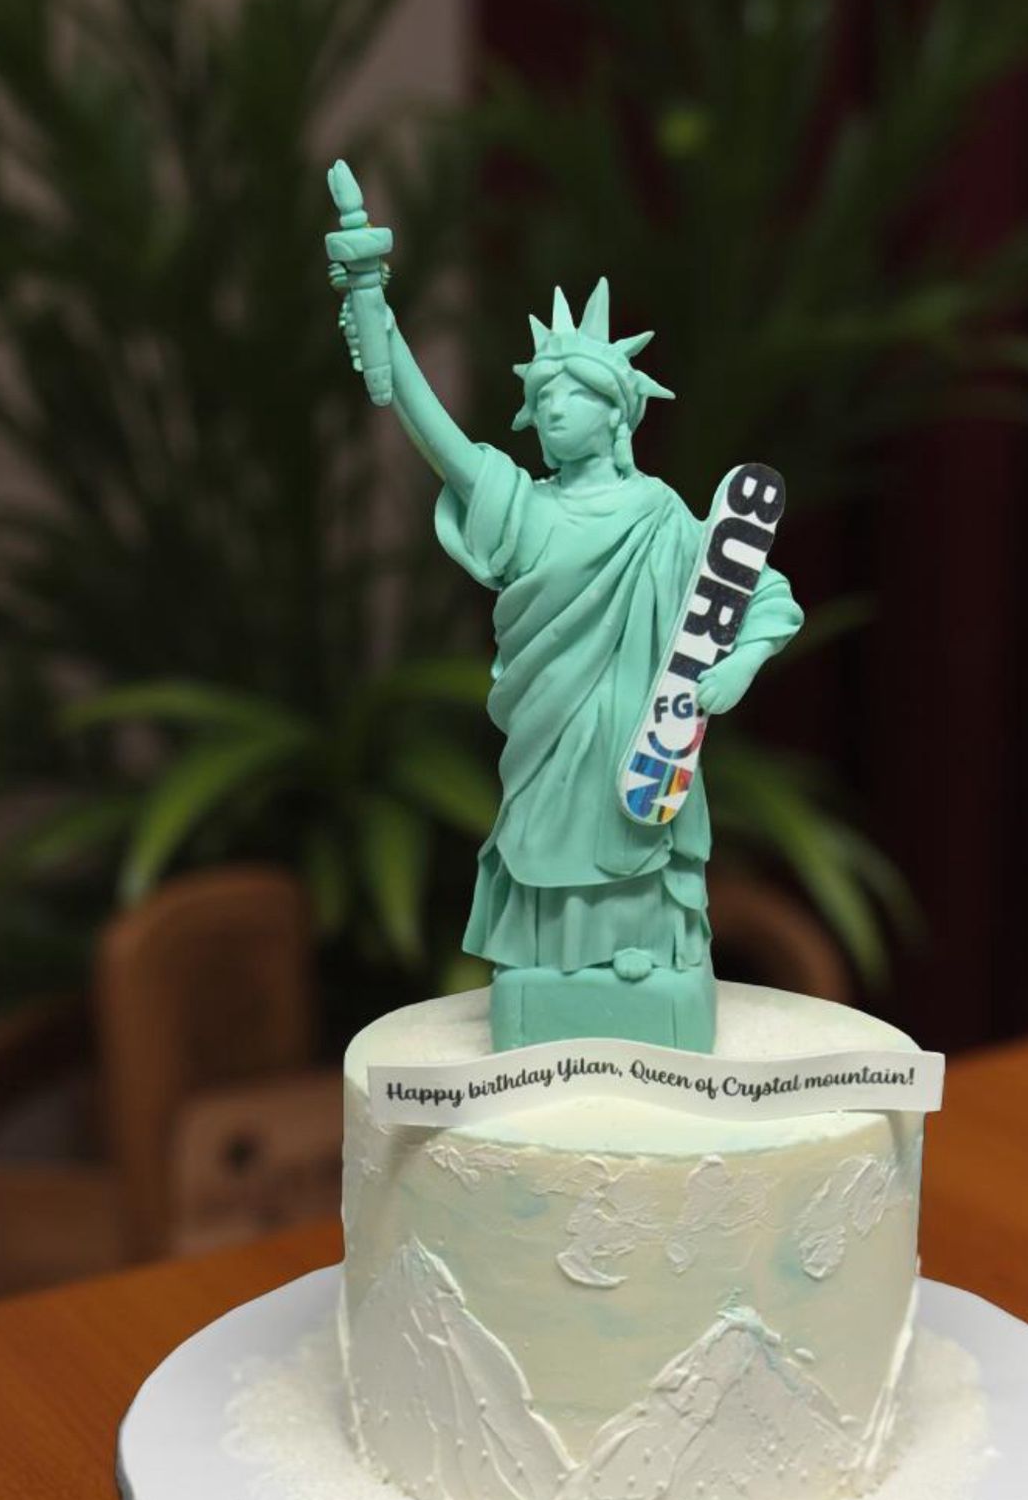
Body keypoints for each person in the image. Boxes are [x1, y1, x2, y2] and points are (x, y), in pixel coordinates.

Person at [332, 259, 803, 1051]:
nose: (553, 409)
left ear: (617, 414)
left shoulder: (660, 515)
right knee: (547, 836)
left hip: (642, 732)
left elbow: (757, 589)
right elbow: (440, 439)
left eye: (572, 395)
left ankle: (638, 952)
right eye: (542, 397)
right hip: (550, 734)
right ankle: (553, 959)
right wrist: (377, 313)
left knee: (633, 831)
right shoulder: (523, 510)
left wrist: (740, 663)